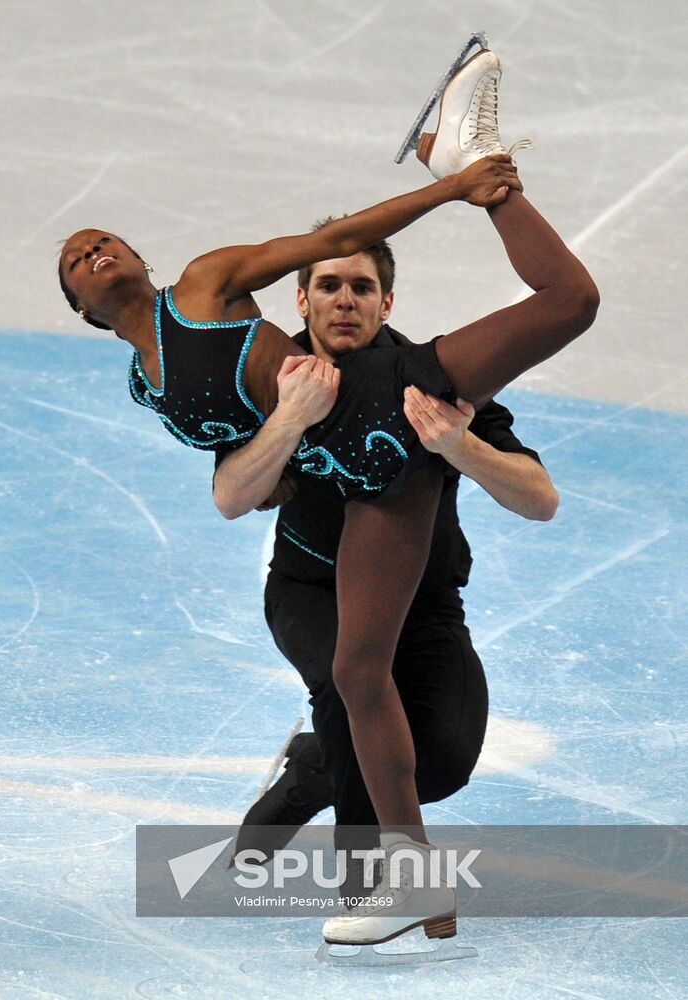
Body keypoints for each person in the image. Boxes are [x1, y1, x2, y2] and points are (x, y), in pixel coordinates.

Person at [58, 48, 598, 946]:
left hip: (400, 399)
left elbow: (328, 236)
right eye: (72, 259)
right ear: (79, 309)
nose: (88, 248)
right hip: (360, 483)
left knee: (570, 300)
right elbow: (238, 489)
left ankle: (459, 153)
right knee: (353, 675)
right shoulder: (148, 386)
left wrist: (454, 189)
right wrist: (287, 425)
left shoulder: (202, 285)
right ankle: (405, 883)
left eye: (101, 238)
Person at [221, 223, 559, 904]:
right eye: (328, 285)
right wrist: (287, 420)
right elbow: (233, 495)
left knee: (436, 765)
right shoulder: (268, 377)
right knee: (351, 702)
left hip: (423, 601)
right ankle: (371, 893)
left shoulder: (430, 378)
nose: (344, 299)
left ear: (387, 304)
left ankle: (312, 769)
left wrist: (462, 447)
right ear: (302, 301)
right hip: (310, 591)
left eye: (361, 287)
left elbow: (539, 499)